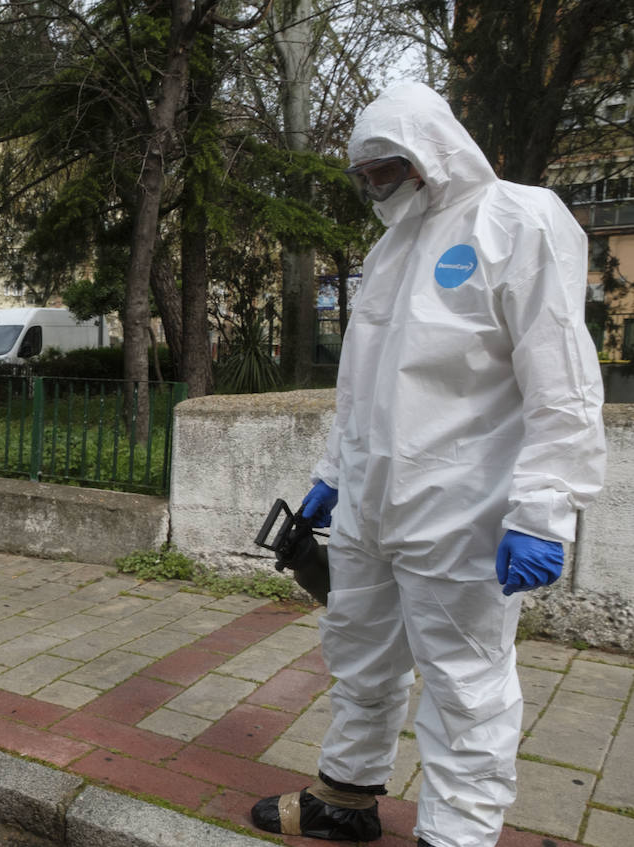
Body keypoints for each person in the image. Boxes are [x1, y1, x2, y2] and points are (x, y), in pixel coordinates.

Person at [250, 82, 606, 847]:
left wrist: (543, 507)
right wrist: (335, 476)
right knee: (360, 653)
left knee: (465, 689)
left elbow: (563, 382)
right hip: (373, 507)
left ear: (431, 154)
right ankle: (345, 795)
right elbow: (363, 390)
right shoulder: (390, 251)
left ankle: (457, 835)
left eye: (388, 168)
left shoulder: (518, 220)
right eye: (366, 172)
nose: (376, 186)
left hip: (463, 511)